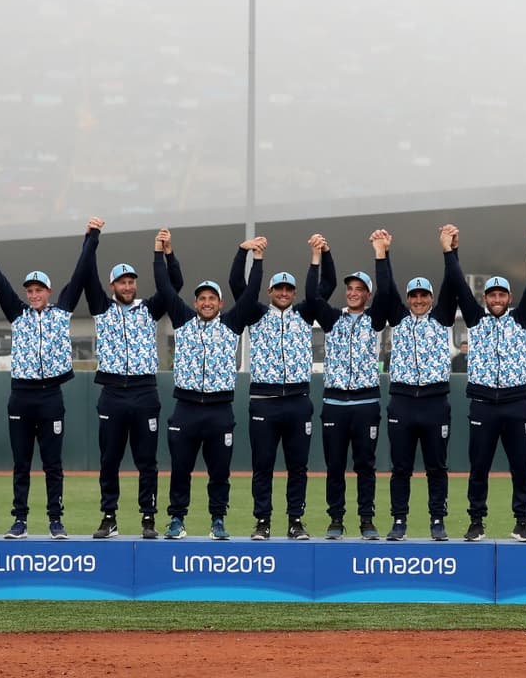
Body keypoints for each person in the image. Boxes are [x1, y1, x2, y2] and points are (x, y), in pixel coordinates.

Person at [0, 219, 101, 539]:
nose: (34, 294)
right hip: (21, 395)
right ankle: (19, 521)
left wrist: (91, 237)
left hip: (50, 396)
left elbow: (79, 274)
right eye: (30, 290)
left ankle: (55, 521)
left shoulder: (62, 312)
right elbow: (0, 281)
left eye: (39, 290)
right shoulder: (18, 313)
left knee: (52, 464)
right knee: (21, 464)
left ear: (49, 291)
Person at [156, 233, 264, 539]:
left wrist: (249, 256)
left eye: (211, 298)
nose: (206, 302)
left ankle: (218, 520)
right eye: (201, 298)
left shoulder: (231, 324)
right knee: (180, 470)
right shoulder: (183, 320)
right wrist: (162, 254)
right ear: (194, 302)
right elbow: (164, 287)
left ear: (220, 302)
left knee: (220, 473)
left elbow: (251, 290)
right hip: (186, 409)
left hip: (219, 411)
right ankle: (177, 520)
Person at [442, 223, 526, 542]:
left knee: (521, 467)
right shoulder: (476, 319)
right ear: (484, 298)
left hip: (515, 404)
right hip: (483, 405)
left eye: (502, 294)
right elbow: (457, 283)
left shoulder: (520, 319)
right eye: (492, 294)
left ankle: (523, 521)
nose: (497, 299)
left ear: (509, 297)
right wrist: (451, 251)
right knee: (479, 466)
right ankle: (476, 521)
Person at [83, 227, 175, 540]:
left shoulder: (148, 309)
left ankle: (148, 517)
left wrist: (163, 253)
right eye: (122, 281)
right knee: (109, 459)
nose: (127, 285)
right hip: (112, 394)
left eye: (131, 281)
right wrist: (92, 238)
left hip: (144, 392)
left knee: (147, 460)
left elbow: (173, 284)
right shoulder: (102, 308)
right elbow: (86, 273)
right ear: (113, 285)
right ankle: (109, 516)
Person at [301, 232, 392, 540]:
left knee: (365, 466)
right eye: (350, 289)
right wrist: (320, 256)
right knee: (335, 467)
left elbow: (388, 291)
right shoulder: (332, 319)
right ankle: (336, 519)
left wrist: (381, 254)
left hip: (366, 405)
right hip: (335, 405)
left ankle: (366, 519)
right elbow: (313, 296)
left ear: (367, 295)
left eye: (360, 289)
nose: (353, 293)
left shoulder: (376, 319)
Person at [241, 237, 324, 541]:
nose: (285, 293)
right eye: (279, 289)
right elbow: (242, 288)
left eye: (289, 289)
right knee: (262, 466)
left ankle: (295, 521)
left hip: (298, 401)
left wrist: (317, 257)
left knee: (297, 468)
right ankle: (262, 521)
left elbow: (318, 290)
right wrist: (255, 259)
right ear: (270, 292)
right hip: (264, 401)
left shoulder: (304, 314)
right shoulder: (257, 314)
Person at [382, 228, 461, 541]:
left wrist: (449, 251)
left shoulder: (441, 319)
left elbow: (453, 284)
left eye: (423, 295)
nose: (418, 300)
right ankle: (399, 521)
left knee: (436, 467)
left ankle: (437, 520)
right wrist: (383, 253)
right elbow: (386, 288)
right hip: (401, 400)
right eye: (413, 295)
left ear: (431, 298)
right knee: (400, 468)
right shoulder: (399, 319)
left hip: (434, 402)